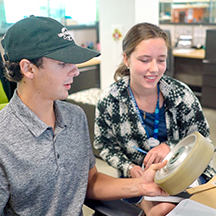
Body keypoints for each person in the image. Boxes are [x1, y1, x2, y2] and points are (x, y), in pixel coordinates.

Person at [0, 16, 169, 216]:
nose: (75, 71)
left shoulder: (74, 117)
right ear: (28, 68)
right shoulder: (4, 137)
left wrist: (141, 185)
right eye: (63, 63)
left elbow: (90, 182)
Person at [93, 22, 216, 215]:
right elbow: (104, 145)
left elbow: (205, 143)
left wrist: (172, 148)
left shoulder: (181, 95)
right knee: (161, 210)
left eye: (161, 60)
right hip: (140, 182)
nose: (154, 69)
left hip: (187, 176)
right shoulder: (111, 101)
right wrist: (129, 167)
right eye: (144, 59)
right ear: (126, 59)